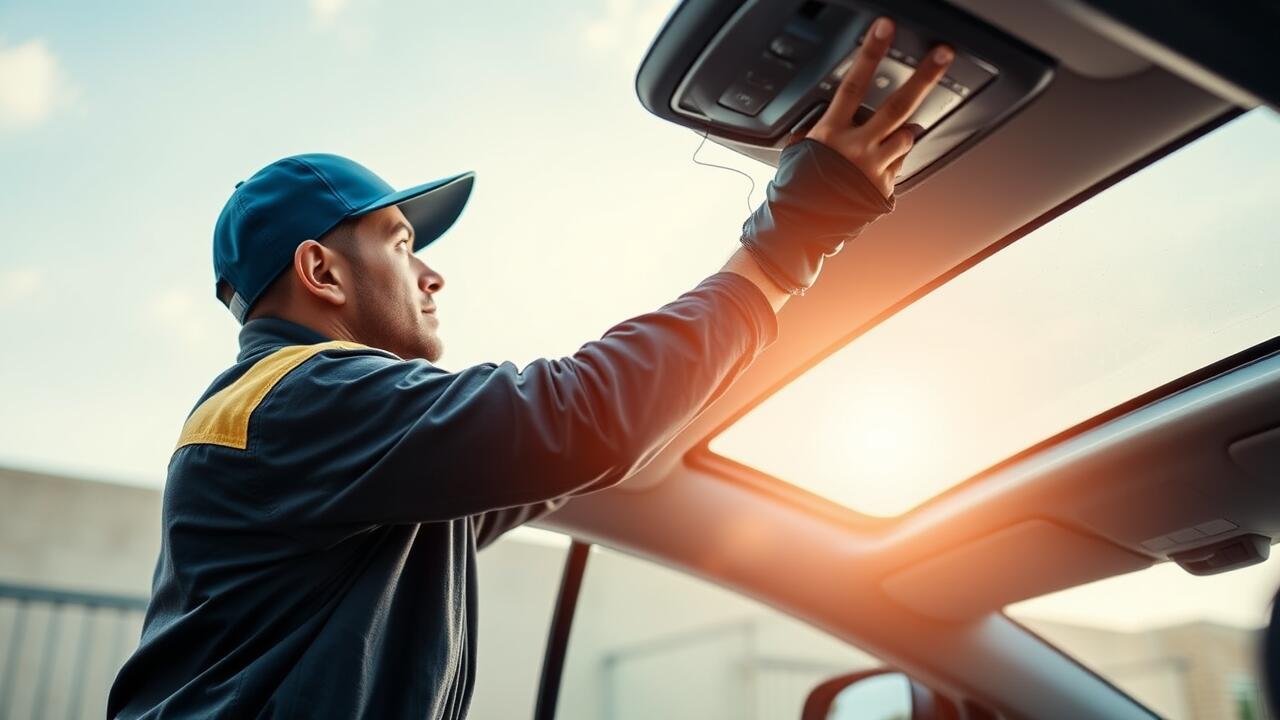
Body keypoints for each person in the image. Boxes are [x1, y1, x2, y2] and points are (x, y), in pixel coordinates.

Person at [107, 17, 952, 719]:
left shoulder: (346, 450)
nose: (432, 275)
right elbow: (577, 419)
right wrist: (788, 242)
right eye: (401, 244)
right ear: (320, 272)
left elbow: (570, 452)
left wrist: (758, 315)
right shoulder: (295, 398)